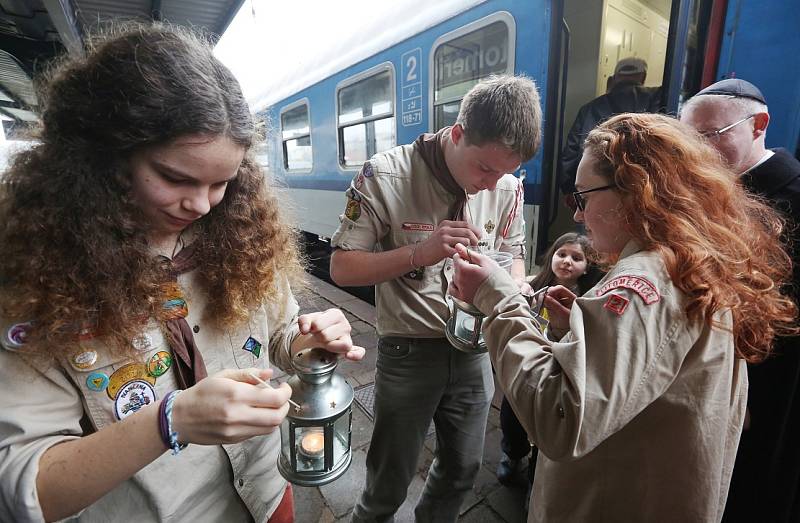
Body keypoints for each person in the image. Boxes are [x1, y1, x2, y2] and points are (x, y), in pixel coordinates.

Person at [0, 24, 364, 523]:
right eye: (175, 177)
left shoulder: (239, 235)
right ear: (101, 155)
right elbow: (27, 486)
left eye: (221, 183)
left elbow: (277, 332)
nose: (200, 205)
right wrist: (170, 421)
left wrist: (308, 340)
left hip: (266, 490)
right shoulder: (34, 277)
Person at [450, 112, 797, 522]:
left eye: (583, 197)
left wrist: (498, 297)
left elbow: (561, 418)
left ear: (636, 192)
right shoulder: (692, 261)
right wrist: (574, 333)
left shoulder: (641, 281)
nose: (578, 216)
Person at [329, 75, 542, 522]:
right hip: (408, 350)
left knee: (462, 468)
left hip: (476, 350)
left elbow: (514, 250)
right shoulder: (384, 174)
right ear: (458, 133)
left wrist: (516, 282)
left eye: (505, 172)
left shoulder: (507, 187)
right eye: (485, 168)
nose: (491, 184)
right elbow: (342, 267)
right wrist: (419, 253)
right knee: (389, 478)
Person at [681, 78, 800, 523]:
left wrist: (745, 393)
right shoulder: (715, 192)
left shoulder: (791, 197)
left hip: (767, 388)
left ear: (759, 125)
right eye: (688, 140)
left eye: (710, 136)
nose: (698, 152)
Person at [496, 233, 595, 497]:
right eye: (562, 254)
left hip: (557, 370)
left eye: (577, 258)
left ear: (587, 267)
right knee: (511, 415)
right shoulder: (530, 286)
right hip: (525, 364)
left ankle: (534, 477)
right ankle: (512, 455)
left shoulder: (586, 300)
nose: (567, 262)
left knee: (548, 423)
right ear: (551, 255)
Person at [559, 57, 662, 197]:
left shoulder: (590, 109)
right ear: (643, 76)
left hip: (594, 192)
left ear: (615, 78)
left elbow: (571, 155)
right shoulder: (658, 102)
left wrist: (570, 192)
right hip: (640, 194)